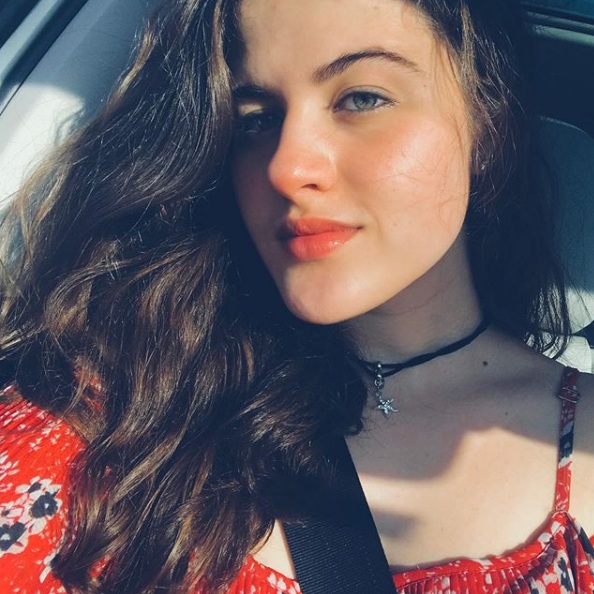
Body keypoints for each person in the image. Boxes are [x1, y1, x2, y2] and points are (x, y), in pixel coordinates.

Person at [1, 0, 593, 592]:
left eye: (362, 98)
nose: (285, 167)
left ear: (487, 124)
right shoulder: (119, 413)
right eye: (255, 119)